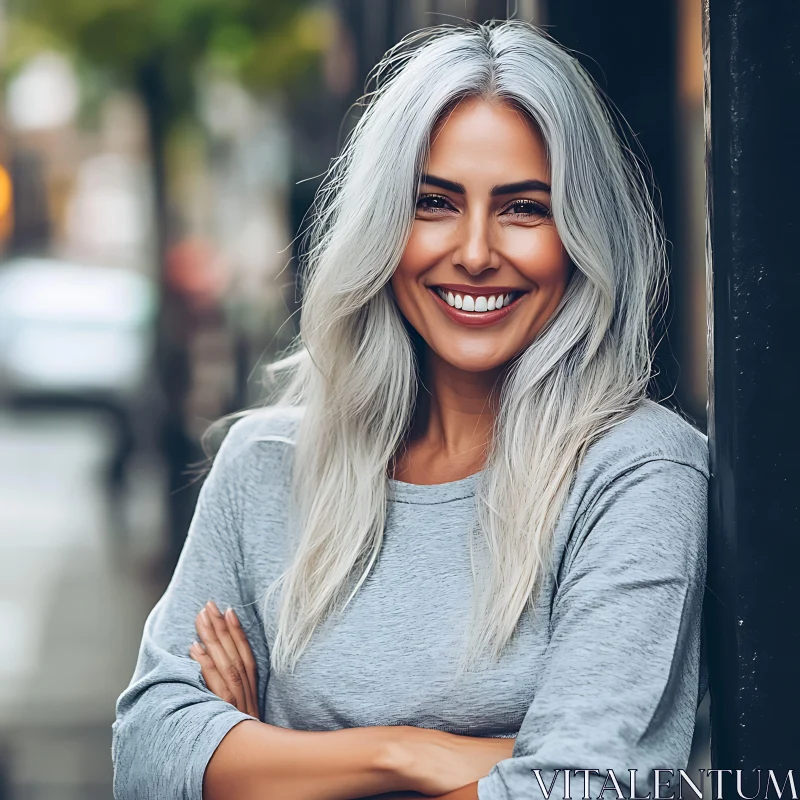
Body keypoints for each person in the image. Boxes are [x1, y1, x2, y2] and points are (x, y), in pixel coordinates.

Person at [112, 19, 709, 800]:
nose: (473, 250)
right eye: (434, 202)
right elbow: (149, 758)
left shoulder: (637, 474)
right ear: (383, 225)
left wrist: (267, 755)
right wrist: (412, 755)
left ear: (579, 234)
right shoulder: (264, 467)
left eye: (524, 208)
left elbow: (579, 789)